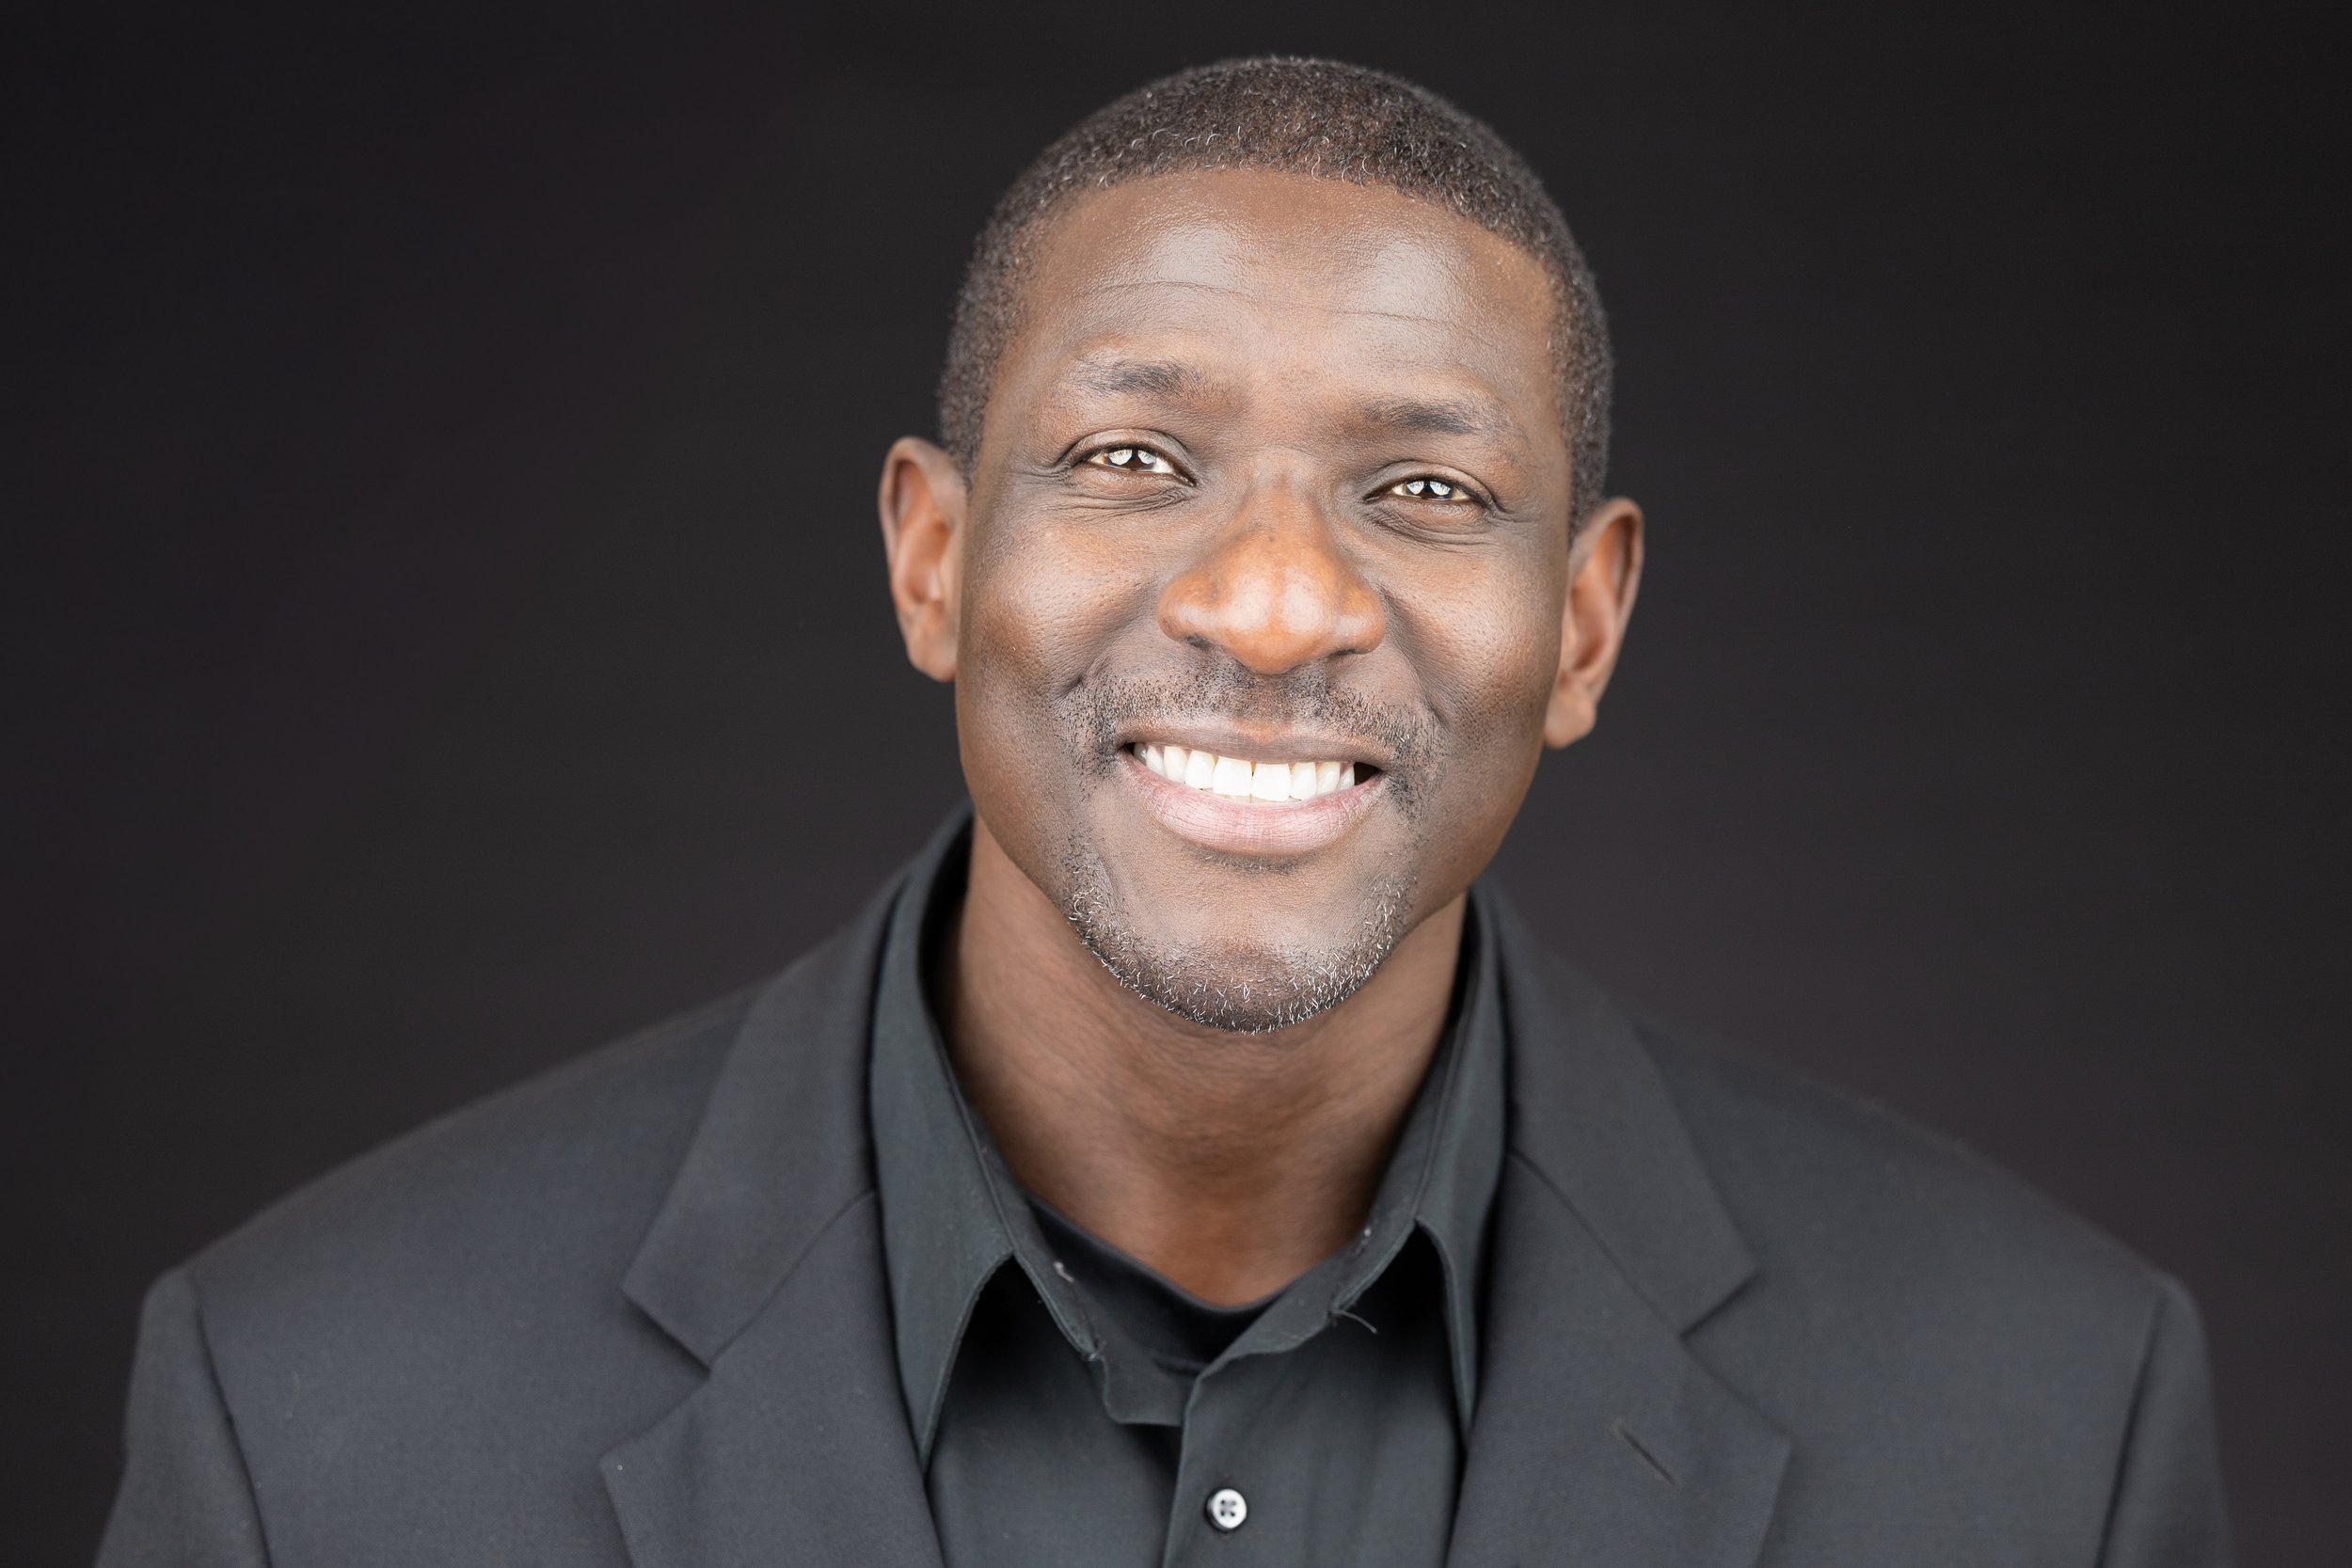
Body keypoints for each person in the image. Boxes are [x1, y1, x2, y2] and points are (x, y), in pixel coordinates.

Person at [98, 56, 2231, 1568]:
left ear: (1583, 627)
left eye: (1424, 489)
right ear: (934, 561)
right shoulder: (312, 1421)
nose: (1275, 603)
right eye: (1133, 460)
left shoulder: (2047, 1429)